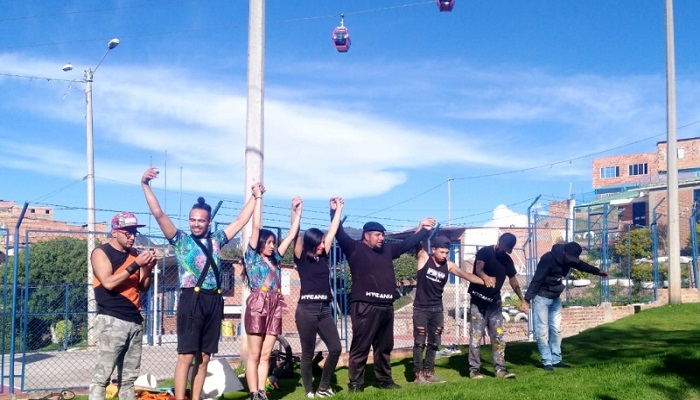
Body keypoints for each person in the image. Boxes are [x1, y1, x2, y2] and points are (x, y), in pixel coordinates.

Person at [141, 167, 262, 400]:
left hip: (214, 300)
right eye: (192, 220)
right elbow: (158, 213)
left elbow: (241, 220)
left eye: (201, 220)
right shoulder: (181, 240)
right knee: (186, 356)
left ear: (209, 222)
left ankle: (196, 397)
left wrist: (255, 196)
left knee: (204, 357)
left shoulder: (217, 240)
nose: (196, 224)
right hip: (191, 299)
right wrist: (145, 184)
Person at [333, 211, 436, 393]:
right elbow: (338, 232)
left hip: (386, 307)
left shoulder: (387, 250)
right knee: (361, 347)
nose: (382, 238)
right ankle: (356, 385)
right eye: (378, 235)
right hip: (365, 306)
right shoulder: (355, 248)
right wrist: (335, 211)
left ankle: (385, 380)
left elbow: (407, 244)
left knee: (384, 347)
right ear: (366, 236)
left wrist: (423, 229)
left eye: (383, 235)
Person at [89, 211, 157, 400]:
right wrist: (135, 264)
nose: (132, 237)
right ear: (114, 232)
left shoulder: (134, 255)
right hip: (112, 319)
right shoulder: (101, 252)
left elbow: (143, 287)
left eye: (134, 232)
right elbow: (108, 282)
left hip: (134, 320)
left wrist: (147, 269)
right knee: (102, 377)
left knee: (128, 379)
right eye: (127, 232)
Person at [244, 196, 302, 400]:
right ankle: (254, 393)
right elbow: (256, 226)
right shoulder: (251, 257)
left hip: (275, 304)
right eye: (268, 242)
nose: (271, 246)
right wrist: (258, 197)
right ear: (260, 243)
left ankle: (262, 391)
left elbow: (292, 234)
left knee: (266, 354)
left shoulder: (276, 258)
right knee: (254, 354)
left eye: (273, 243)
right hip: (258, 303)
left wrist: (296, 212)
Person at [412, 235, 485, 385]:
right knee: (420, 342)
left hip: (437, 309)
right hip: (421, 309)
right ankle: (418, 376)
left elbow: (467, 276)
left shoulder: (449, 265)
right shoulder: (424, 259)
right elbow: (415, 241)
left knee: (434, 342)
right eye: (442, 252)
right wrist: (422, 227)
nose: (444, 255)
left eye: (447, 253)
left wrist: (486, 281)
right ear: (433, 249)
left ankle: (429, 373)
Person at [524, 241, 608, 371]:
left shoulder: (570, 258)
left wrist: (597, 271)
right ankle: (547, 361)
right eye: (570, 258)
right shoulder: (548, 259)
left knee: (556, 330)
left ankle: (556, 359)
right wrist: (526, 300)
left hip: (555, 297)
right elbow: (537, 279)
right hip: (541, 298)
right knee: (542, 331)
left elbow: (582, 265)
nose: (571, 261)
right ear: (564, 252)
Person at [293, 197, 344, 398]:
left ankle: (323, 387)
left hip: (324, 310)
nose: (323, 244)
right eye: (320, 242)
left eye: (324, 242)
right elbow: (296, 233)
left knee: (336, 348)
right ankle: (309, 391)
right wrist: (296, 212)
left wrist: (338, 209)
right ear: (312, 242)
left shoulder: (323, 256)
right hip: (306, 310)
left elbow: (332, 230)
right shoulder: (301, 257)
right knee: (307, 353)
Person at [468, 232, 528, 380]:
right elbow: (478, 269)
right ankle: (474, 370)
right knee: (476, 336)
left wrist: (522, 300)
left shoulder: (507, 260)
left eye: (506, 250)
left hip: (494, 303)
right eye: (501, 248)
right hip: (478, 301)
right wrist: (485, 277)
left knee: (498, 336)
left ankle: (500, 369)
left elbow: (513, 280)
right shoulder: (484, 252)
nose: (502, 251)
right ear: (498, 242)